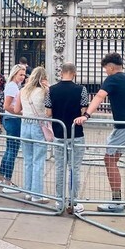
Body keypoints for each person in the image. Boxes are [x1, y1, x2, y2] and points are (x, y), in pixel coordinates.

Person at [76, 53, 125, 213]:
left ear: (111, 67)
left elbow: (99, 96)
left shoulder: (112, 79)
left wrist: (86, 115)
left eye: (106, 68)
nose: (106, 71)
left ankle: (116, 202)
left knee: (109, 159)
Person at [45, 63, 88, 213]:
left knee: (59, 168)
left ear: (61, 72)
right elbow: (83, 111)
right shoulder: (81, 90)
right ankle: (73, 202)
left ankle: (59, 201)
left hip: (59, 134)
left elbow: (48, 113)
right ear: (74, 73)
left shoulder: (51, 90)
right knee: (75, 169)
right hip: (76, 133)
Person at [14, 67, 50, 204]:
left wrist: (27, 113)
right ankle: (37, 195)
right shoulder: (45, 91)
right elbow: (48, 112)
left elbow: (17, 110)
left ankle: (28, 192)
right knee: (38, 160)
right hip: (38, 126)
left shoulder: (23, 90)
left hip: (25, 125)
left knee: (28, 160)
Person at [0, 64, 26, 193]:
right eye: (20, 74)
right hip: (13, 120)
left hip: (11, 119)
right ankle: (7, 181)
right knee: (12, 150)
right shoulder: (12, 87)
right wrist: (20, 113)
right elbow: (7, 106)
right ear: (14, 74)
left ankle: (1, 177)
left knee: (9, 149)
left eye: (24, 75)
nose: (23, 77)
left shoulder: (14, 86)